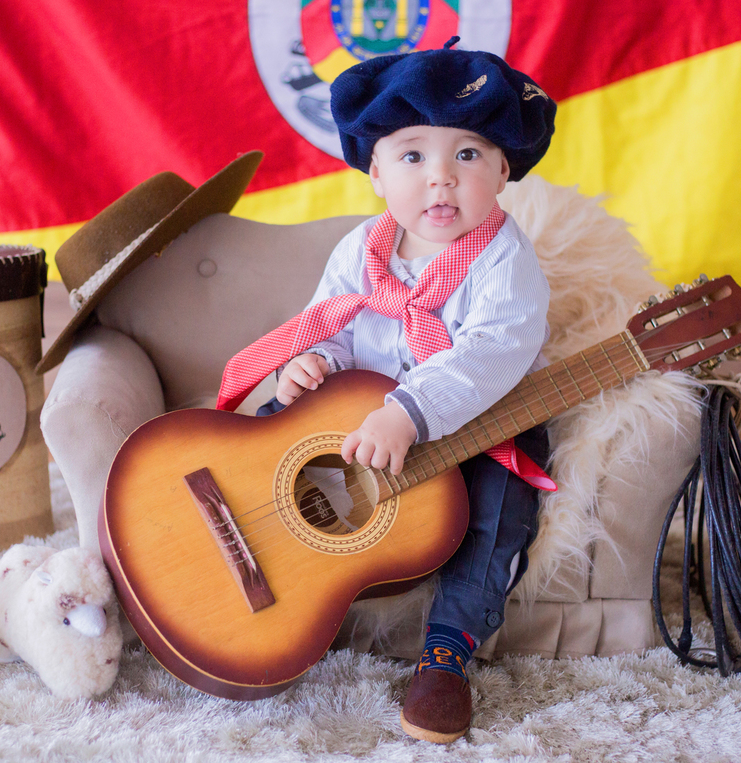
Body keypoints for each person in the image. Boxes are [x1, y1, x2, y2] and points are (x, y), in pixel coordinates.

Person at [215, 37, 558, 743]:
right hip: (357, 407)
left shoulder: (503, 260)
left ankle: (448, 653)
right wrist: (310, 364)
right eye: (412, 156)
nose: (440, 180)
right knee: (276, 428)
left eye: (466, 155)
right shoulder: (362, 249)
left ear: (502, 169)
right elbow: (333, 323)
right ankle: (236, 548)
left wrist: (410, 410)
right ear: (374, 171)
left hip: (469, 420)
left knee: (500, 504)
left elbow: (493, 353)